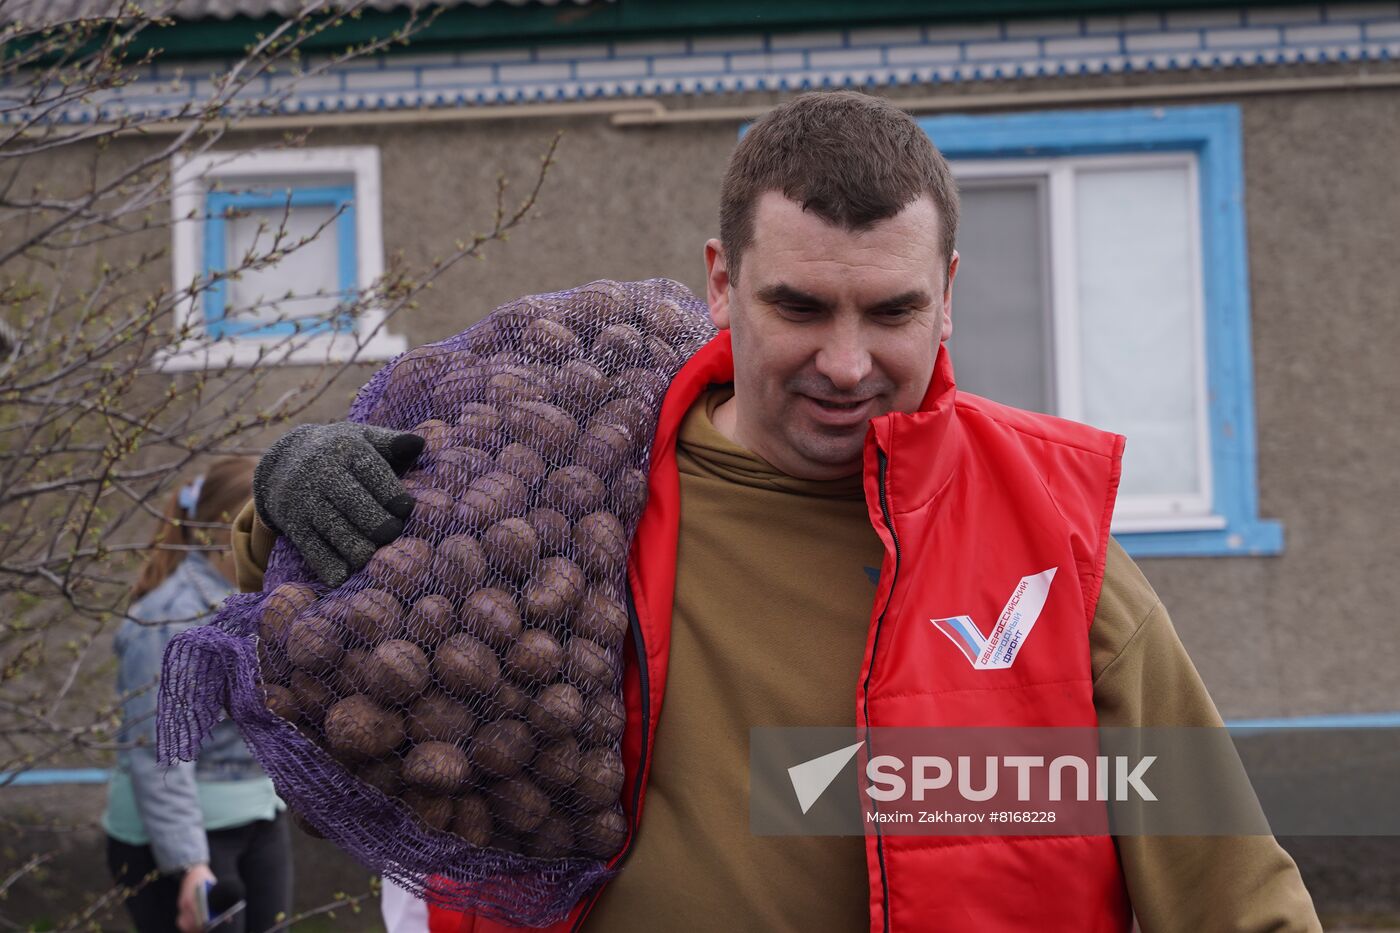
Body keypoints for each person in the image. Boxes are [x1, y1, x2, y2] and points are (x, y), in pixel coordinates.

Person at [231, 92, 1320, 931]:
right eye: (798, 306)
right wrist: (284, 499)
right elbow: (347, 611)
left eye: (890, 312)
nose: (844, 364)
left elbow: (1231, 893)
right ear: (719, 282)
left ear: (946, 293)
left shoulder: (1050, 547)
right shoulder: (576, 486)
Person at [104, 457, 293, 933]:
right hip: (181, 840)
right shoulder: (168, 619)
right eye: (270, 527)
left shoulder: (264, 602)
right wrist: (190, 864)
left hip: (258, 816)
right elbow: (160, 756)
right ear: (219, 532)